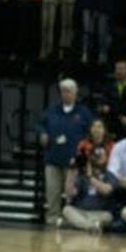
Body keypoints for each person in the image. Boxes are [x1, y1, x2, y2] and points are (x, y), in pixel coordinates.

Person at [37, 78, 93, 225]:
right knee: (52, 192)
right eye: (63, 91)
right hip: (53, 158)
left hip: (73, 162)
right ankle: (52, 219)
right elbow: (39, 125)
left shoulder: (83, 112)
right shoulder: (51, 110)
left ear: (75, 93)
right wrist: (42, 133)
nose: (65, 94)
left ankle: (72, 220)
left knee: (71, 193)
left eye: (68, 91)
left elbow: (91, 133)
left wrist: (83, 155)